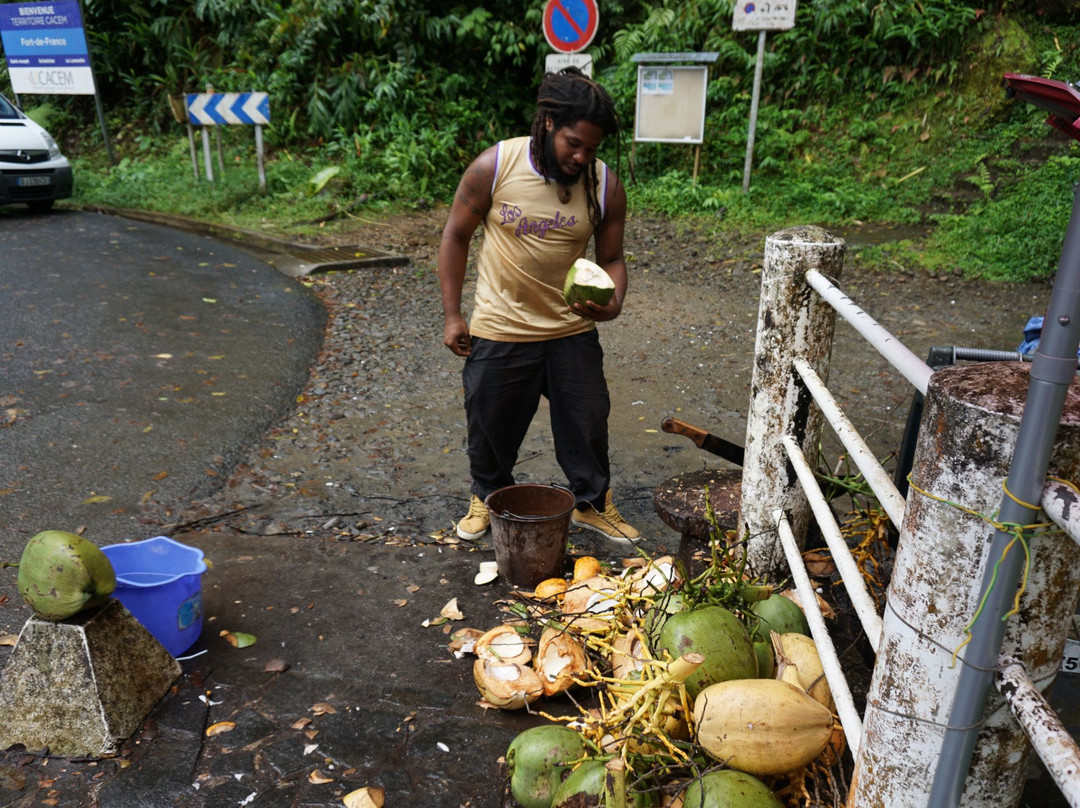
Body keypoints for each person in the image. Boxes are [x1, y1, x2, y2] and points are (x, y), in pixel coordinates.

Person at [437, 67, 640, 544]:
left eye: (592, 148)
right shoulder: (496, 166)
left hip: (570, 330)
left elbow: (611, 259)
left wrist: (613, 302)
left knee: (588, 421)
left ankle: (592, 505)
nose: (581, 156)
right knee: (489, 425)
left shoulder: (604, 184)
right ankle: (488, 497)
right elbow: (455, 236)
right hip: (500, 325)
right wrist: (452, 314)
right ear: (548, 123)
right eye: (574, 143)